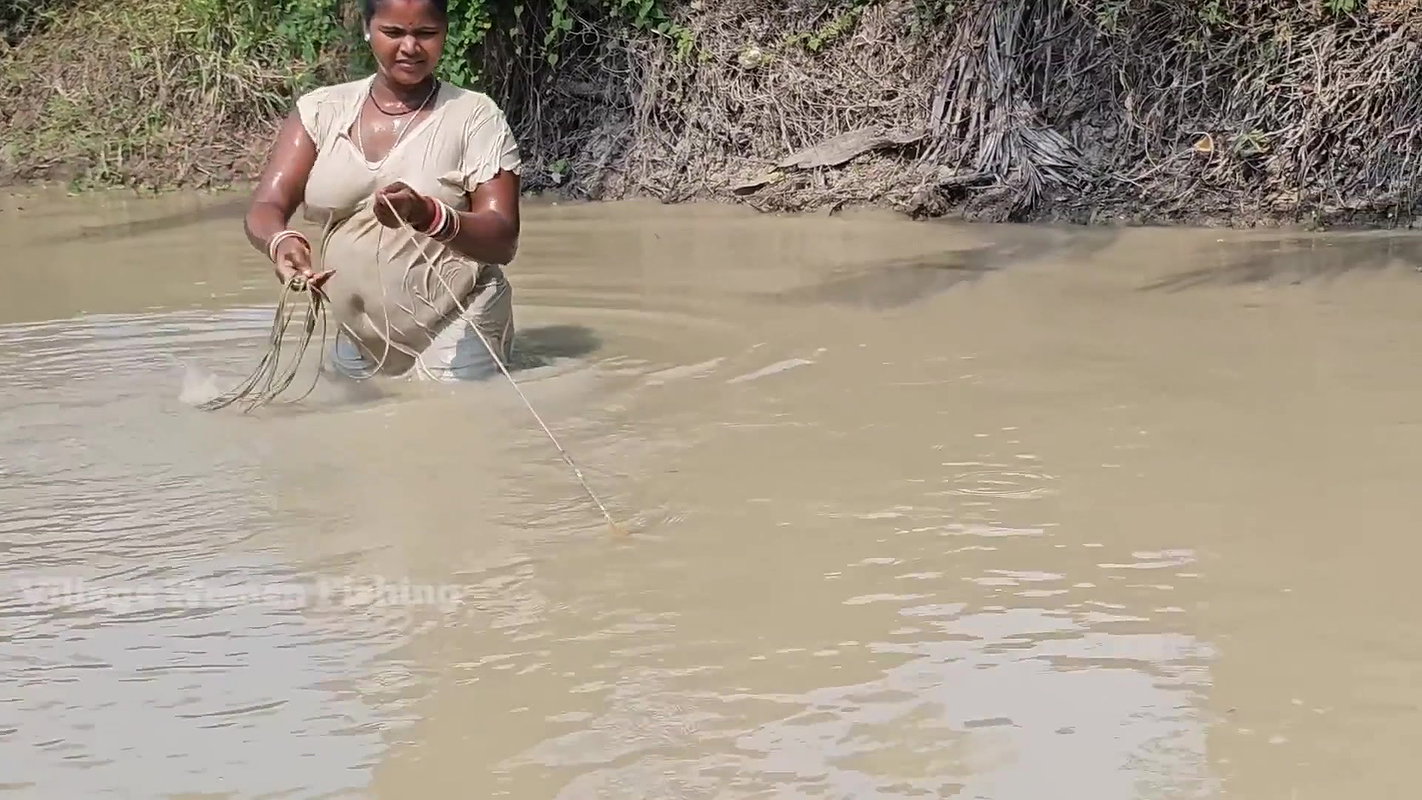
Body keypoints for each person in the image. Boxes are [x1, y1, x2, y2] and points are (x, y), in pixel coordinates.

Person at [243, 0, 522, 381]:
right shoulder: (322, 111)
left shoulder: (474, 115)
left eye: (426, 34)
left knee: (455, 422)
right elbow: (266, 205)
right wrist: (280, 241)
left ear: (444, 34)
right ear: (367, 28)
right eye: (393, 32)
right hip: (357, 337)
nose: (410, 47)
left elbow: (503, 239)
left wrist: (428, 215)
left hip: (459, 323)